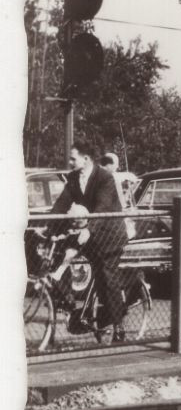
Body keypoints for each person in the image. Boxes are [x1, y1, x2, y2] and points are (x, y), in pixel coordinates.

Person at [51, 142, 131, 339]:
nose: (69, 162)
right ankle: (69, 303)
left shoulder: (105, 178)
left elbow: (102, 208)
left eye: (73, 158)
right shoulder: (73, 178)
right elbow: (61, 204)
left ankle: (119, 327)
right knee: (59, 256)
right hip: (87, 232)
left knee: (107, 277)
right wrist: (47, 228)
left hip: (108, 236)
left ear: (85, 159)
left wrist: (89, 228)